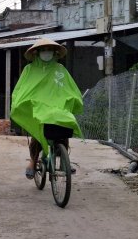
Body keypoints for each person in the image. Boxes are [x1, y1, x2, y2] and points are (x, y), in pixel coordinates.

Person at [10, 38, 83, 178]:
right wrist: (22, 102)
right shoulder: (29, 69)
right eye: (43, 50)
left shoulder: (60, 70)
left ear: (54, 52)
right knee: (38, 134)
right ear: (37, 53)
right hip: (37, 109)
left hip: (57, 107)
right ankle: (33, 161)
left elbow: (70, 88)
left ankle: (64, 161)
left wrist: (73, 99)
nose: (46, 53)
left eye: (49, 50)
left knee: (64, 127)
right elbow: (21, 90)